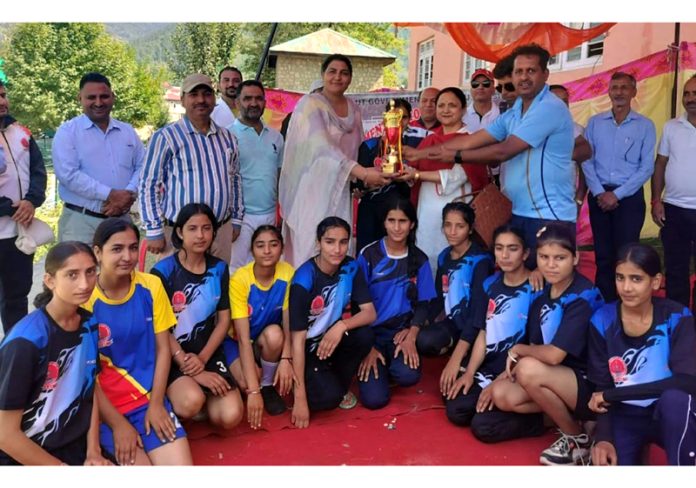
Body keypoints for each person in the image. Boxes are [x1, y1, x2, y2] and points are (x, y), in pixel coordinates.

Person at [407, 44, 577, 265]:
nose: (523, 77)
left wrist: (456, 157)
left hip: (549, 215)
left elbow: (502, 151)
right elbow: (472, 140)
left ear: (545, 74)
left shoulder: (549, 107)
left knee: (549, 284)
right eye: (518, 71)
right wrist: (418, 153)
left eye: (531, 71)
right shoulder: (516, 111)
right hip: (518, 210)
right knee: (522, 283)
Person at [484, 223, 604, 465]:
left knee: (526, 367)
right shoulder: (542, 292)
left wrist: (517, 350)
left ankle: (576, 438)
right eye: (544, 257)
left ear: (575, 258)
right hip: (559, 378)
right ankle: (574, 423)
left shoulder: (583, 295)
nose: (551, 265)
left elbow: (554, 355)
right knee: (502, 394)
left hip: (591, 384)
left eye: (559, 258)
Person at [85, 218, 192, 466]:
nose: (127, 256)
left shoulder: (151, 285)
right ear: (98, 252)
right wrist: (117, 424)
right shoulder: (85, 300)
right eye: (117, 249)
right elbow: (87, 378)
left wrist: (156, 404)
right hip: (105, 411)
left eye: (133, 248)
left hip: (148, 399)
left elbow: (163, 348)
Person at [0, 242, 111, 466]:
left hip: (72, 445)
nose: (84, 283)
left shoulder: (89, 324)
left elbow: (87, 390)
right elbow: (5, 435)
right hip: (24, 455)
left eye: (90, 272)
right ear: (50, 280)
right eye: (72, 274)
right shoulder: (26, 341)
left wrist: (94, 451)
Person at [588, 243, 696, 465]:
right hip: (625, 415)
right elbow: (601, 386)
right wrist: (604, 437)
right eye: (620, 278)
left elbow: (686, 382)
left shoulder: (677, 316)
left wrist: (613, 395)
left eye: (636, 279)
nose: (626, 287)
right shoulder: (602, 319)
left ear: (655, 281)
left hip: (666, 412)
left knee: (676, 401)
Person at [279, 54, 391, 266]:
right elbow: (322, 147)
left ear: (350, 78)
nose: (337, 77)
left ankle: (335, 295)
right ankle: (303, 294)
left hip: (341, 188)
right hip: (312, 190)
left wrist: (364, 179)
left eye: (344, 73)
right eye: (332, 71)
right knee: (310, 244)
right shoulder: (310, 103)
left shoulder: (354, 109)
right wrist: (363, 173)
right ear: (323, 75)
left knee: (338, 245)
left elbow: (359, 148)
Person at [150, 203, 244, 430]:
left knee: (230, 416)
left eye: (207, 228)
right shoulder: (162, 273)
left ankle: (203, 397)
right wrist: (186, 363)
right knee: (190, 403)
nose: (200, 235)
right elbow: (160, 329)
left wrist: (202, 361)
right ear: (180, 232)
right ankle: (188, 394)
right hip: (172, 355)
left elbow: (223, 322)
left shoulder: (219, 269)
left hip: (206, 351)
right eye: (192, 229)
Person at [139, 73, 244, 264]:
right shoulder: (166, 137)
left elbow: (235, 180)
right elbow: (149, 183)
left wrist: (236, 220)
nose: (201, 100)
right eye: (194, 95)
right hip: (180, 236)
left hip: (219, 232)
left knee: (215, 289)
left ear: (214, 98)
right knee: (177, 291)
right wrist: (153, 230)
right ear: (182, 100)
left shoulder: (228, 138)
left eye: (206, 94)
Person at [445, 225, 539, 428]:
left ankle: (541, 420)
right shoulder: (490, 284)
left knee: (483, 426)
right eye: (499, 248)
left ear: (526, 253)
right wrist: (469, 373)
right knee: (455, 407)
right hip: (488, 368)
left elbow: (534, 348)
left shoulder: (537, 289)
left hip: (516, 372)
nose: (504, 255)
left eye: (512, 248)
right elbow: (483, 333)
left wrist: (499, 381)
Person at [289, 217, 376, 428]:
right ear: (318, 243)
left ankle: (335, 382)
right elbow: (297, 341)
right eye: (330, 242)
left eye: (343, 242)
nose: (337, 249)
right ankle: (306, 384)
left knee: (364, 335)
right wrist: (299, 400)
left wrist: (341, 326)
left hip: (331, 341)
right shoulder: (304, 279)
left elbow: (370, 313)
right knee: (326, 399)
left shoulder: (351, 267)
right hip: (307, 350)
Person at [582, 72, 656, 302]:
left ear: (634, 92)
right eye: (615, 87)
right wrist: (599, 192)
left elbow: (646, 168)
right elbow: (586, 160)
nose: (619, 92)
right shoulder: (594, 123)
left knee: (626, 255)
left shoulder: (645, 125)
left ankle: (626, 302)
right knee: (603, 255)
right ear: (609, 91)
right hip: (599, 195)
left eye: (625, 87)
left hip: (629, 197)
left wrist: (617, 194)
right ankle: (603, 303)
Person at [356, 198, 436, 409]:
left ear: (412, 224)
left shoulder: (420, 259)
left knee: (407, 376)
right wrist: (366, 346)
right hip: (370, 333)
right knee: (375, 401)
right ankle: (378, 365)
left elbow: (424, 303)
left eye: (403, 221)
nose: (397, 227)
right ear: (384, 223)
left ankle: (392, 365)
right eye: (391, 220)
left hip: (400, 332)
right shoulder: (368, 255)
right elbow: (357, 304)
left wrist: (412, 335)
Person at [400, 87, 488, 270]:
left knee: (455, 262)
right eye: (441, 105)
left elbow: (458, 176)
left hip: (456, 212)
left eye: (452, 105)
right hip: (427, 214)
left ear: (463, 109)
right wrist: (399, 169)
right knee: (427, 261)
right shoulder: (430, 141)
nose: (445, 110)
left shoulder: (471, 140)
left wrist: (417, 175)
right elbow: (413, 173)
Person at [53, 72, 144, 244]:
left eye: (104, 96)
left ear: (113, 97)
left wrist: (128, 194)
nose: (98, 102)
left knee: (122, 270)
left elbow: (144, 165)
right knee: (79, 270)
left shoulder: (127, 132)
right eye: (91, 97)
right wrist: (110, 194)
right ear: (79, 98)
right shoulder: (67, 133)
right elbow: (68, 175)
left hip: (121, 221)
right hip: (81, 223)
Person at [225, 225, 295, 427]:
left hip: (265, 341)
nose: (267, 251)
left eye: (273, 245)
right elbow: (242, 338)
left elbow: (289, 322)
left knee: (276, 334)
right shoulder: (240, 279)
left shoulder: (288, 273)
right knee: (248, 381)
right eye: (260, 245)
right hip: (237, 342)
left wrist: (286, 358)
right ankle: (249, 382)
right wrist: (252, 391)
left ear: (282, 249)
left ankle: (267, 385)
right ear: (252, 250)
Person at [416, 202, 492, 359]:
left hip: (477, 325)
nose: (452, 232)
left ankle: (465, 349)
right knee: (423, 340)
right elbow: (438, 297)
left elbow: (479, 310)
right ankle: (455, 345)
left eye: (460, 226)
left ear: (470, 229)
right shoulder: (444, 256)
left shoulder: (480, 260)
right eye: (447, 225)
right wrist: (423, 322)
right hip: (453, 323)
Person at [0, 80, 47, 333]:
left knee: (17, 298)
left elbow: (38, 171)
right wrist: (8, 207)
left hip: (19, 234)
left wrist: (31, 201)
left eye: (3, 95)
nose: (2, 101)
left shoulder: (21, 133)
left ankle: (14, 351)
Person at [355, 98, 429, 250]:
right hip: (371, 211)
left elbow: (422, 178)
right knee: (367, 255)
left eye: (404, 117)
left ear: (409, 120)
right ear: (384, 119)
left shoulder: (415, 147)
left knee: (399, 255)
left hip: (401, 212)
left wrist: (411, 176)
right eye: (393, 116)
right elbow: (357, 183)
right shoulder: (368, 146)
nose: (399, 121)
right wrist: (372, 182)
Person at [228, 80, 284, 273]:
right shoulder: (227, 136)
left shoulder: (276, 137)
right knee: (236, 268)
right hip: (240, 218)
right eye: (247, 98)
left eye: (258, 98)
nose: (253, 103)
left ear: (265, 102)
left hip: (269, 214)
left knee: (266, 266)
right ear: (237, 103)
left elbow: (279, 175)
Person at [650, 74, 696, 310]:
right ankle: (678, 316)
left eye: (694, 94)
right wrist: (656, 200)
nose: (690, 99)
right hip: (674, 208)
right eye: (686, 94)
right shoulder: (672, 126)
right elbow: (660, 164)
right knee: (676, 267)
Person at [548, 84, 592, 210]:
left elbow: (585, 168)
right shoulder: (530, 129)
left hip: (563, 203)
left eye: (564, 101)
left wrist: (578, 199)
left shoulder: (576, 131)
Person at [464, 69, 500, 134]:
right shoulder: (461, 115)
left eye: (486, 84)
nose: (480, 87)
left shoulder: (502, 115)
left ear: (493, 90)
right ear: (471, 90)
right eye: (475, 84)